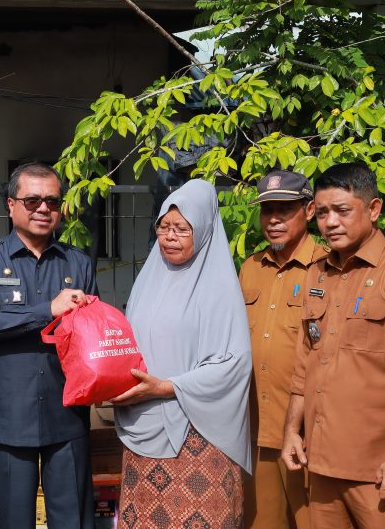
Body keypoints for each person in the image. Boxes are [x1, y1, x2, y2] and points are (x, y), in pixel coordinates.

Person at [281, 163, 385, 528]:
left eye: (342, 210)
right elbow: (305, 364)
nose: (330, 222)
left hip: (381, 475)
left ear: (373, 209)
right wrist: (292, 430)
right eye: (322, 213)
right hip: (321, 466)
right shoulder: (317, 273)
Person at [112, 179, 252, 527]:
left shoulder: (219, 287)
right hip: (144, 424)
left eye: (182, 229)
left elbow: (233, 363)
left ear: (202, 231)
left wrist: (167, 387)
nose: (170, 237)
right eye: (164, 227)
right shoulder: (148, 279)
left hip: (198, 434)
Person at [0, 162, 97, 528]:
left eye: (52, 201)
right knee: (16, 520)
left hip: (66, 412)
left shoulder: (77, 262)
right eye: (32, 200)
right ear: (11, 205)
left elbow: (92, 335)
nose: (43, 209)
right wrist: (47, 310)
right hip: (8, 414)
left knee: (73, 519)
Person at [240, 170, 326, 529]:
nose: (273, 219)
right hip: (256, 433)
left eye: (284, 209)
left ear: (309, 211)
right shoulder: (250, 268)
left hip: (309, 436)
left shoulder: (328, 267)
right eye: (267, 210)